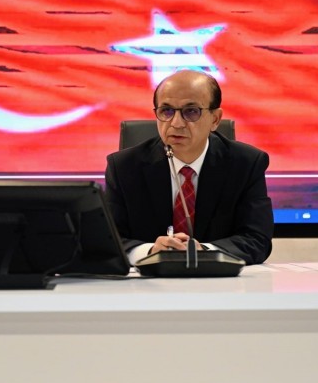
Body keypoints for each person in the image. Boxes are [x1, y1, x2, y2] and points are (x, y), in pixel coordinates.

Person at [104, 69, 273, 265]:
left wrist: (204, 252)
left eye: (191, 111)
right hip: (149, 280)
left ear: (215, 119)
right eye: (166, 111)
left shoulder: (246, 164)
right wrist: (151, 251)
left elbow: (257, 239)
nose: (176, 123)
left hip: (220, 281)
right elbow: (108, 240)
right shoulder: (124, 167)